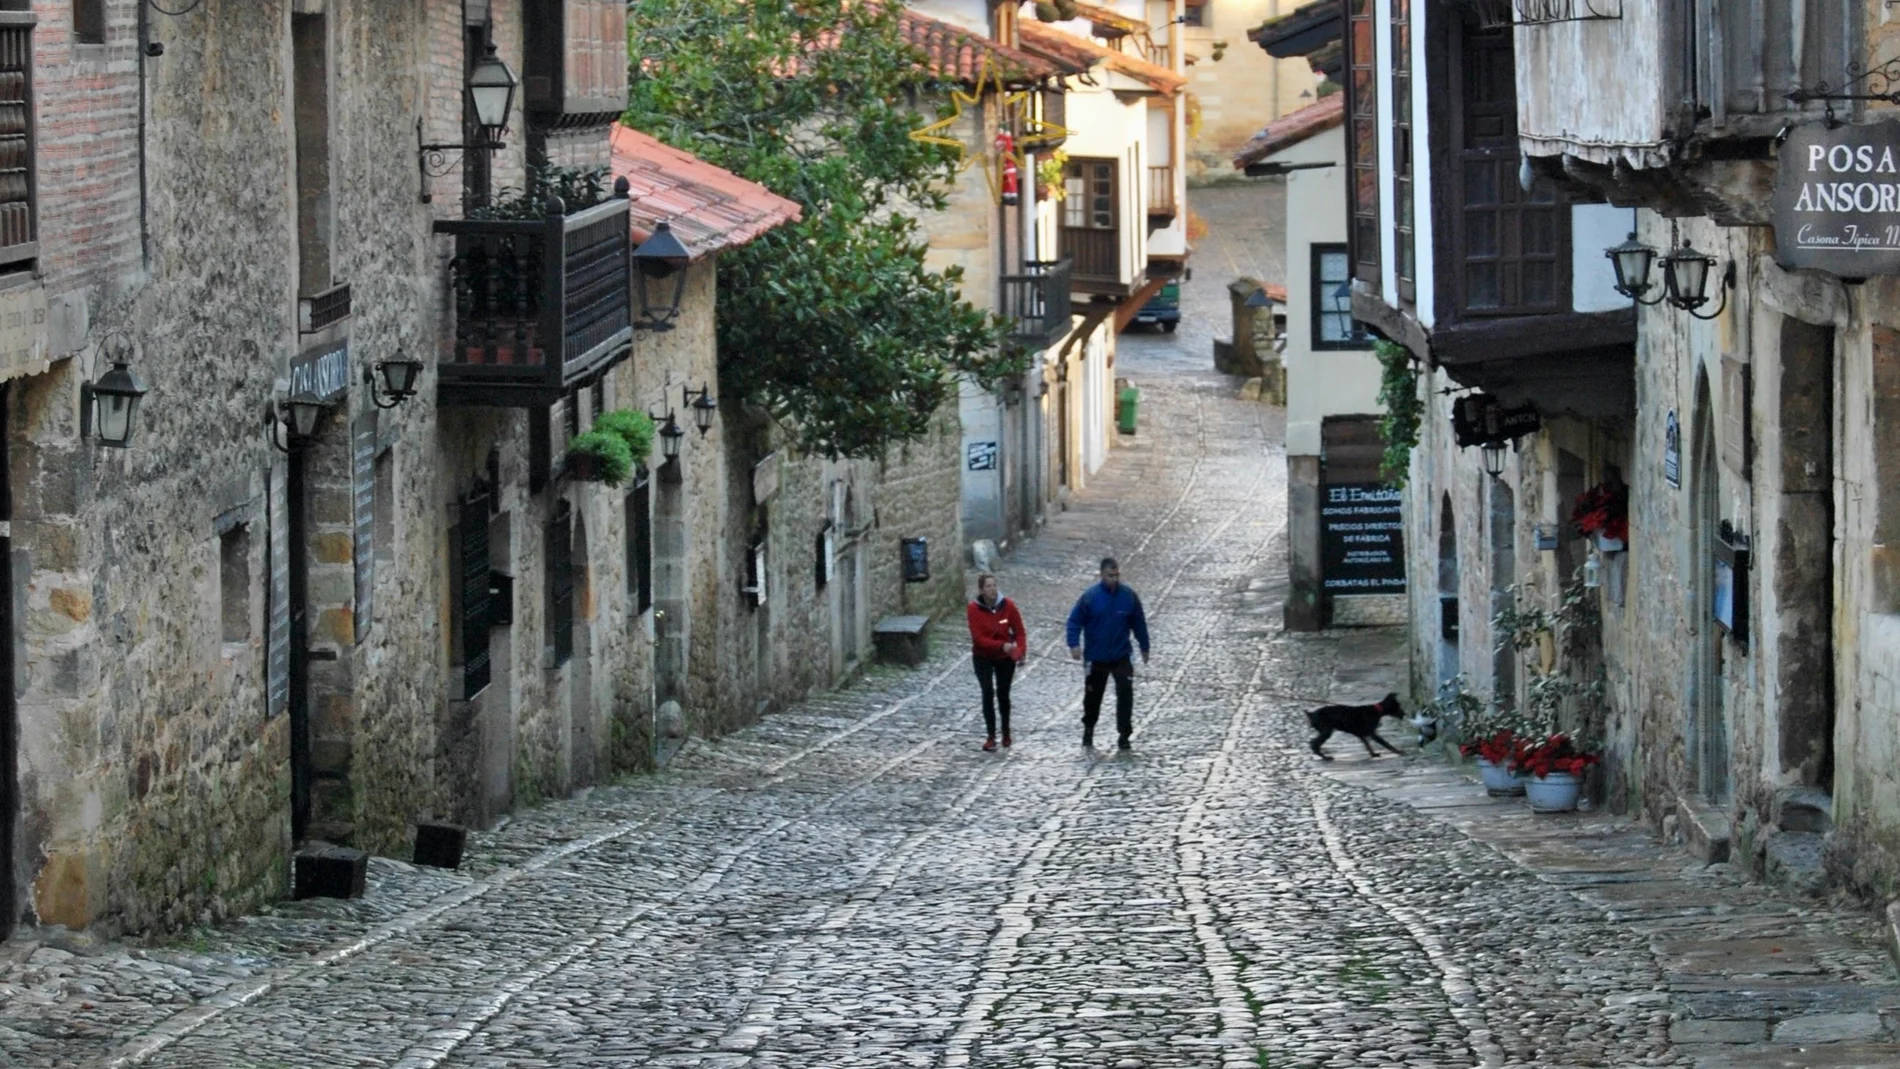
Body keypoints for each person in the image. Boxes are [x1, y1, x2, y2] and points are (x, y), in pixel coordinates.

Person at [1066, 557, 1150, 751]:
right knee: (1093, 696)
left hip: (1121, 655)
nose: (1114, 579)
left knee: (1125, 692)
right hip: (1096, 657)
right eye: (1110, 576)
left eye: (1117, 575)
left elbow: (1139, 623)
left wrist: (1144, 646)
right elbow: (1074, 621)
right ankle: (1089, 728)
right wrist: (1074, 644)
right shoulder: (1090, 597)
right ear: (1102, 575)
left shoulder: (1128, 596)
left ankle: (1124, 734)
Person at [965, 573, 1026, 751]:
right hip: (983, 656)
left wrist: (1020, 651)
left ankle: (1006, 732)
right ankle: (991, 735)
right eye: (988, 586)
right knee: (987, 692)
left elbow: (1020, 632)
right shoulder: (973, 609)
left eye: (994, 585)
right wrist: (1002, 646)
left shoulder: (1008, 606)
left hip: (1004, 659)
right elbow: (978, 638)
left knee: (1003, 694)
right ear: (981, 590)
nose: (992, 589)